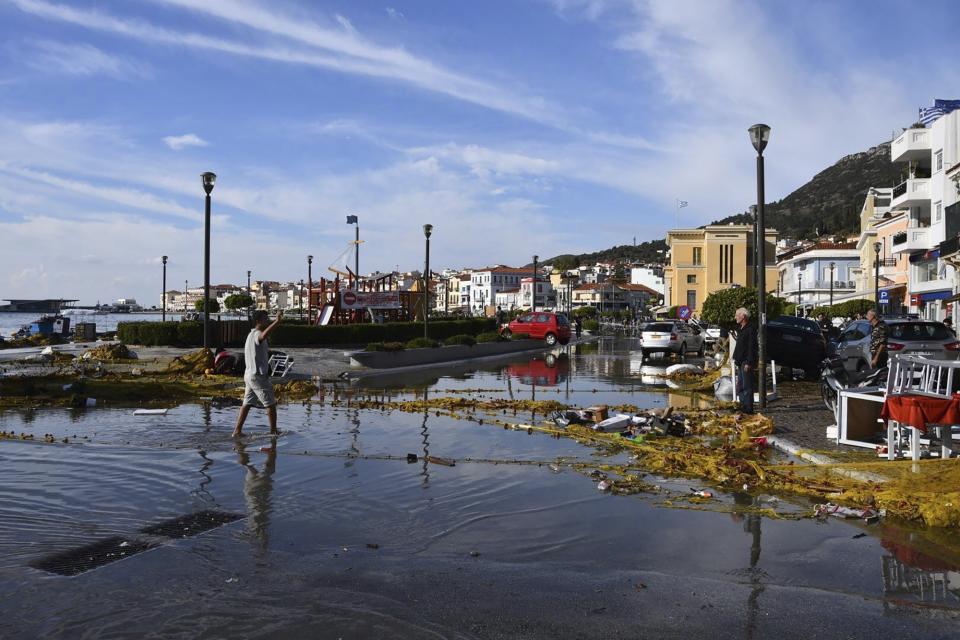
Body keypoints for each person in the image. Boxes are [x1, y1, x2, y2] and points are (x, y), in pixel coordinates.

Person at [233, 310, 284, 437]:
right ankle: (273, 431)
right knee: (271, 404)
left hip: (249, 375)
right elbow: (262, 337)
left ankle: (237, 431)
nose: (267, 320)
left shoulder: (250, 335)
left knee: (247, 404)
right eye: (265, 318)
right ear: (258, 321)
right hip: (258, 376)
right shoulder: (257, 334)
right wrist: (277, 322)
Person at [732, 307, 758, 415]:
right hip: (740, 360)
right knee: (741, 385)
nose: (735, 317)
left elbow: (752, 347)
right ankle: (743, 405)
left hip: (746, 361)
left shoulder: (750, 328)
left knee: (747, 385)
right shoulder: (740, 328)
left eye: (737, 315)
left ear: (743, 316)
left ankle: (748, 407)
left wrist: (749, 362)